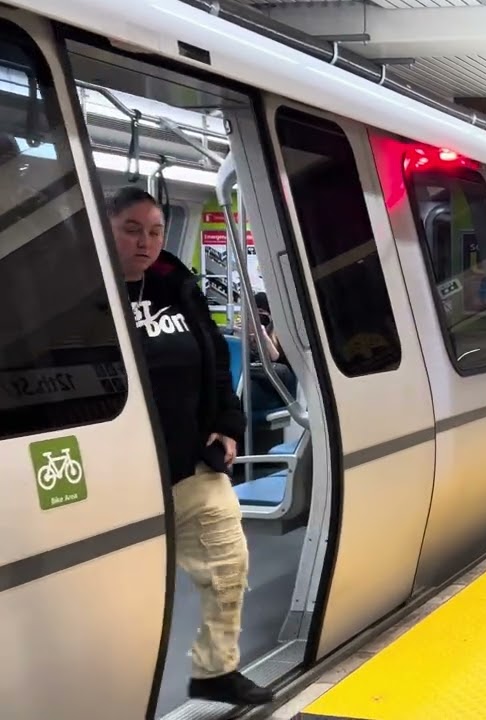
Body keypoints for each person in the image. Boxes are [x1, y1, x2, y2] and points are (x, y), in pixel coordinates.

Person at [108, 186, 274, 707]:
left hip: (192, 465)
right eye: (131, 229)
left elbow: (211, 361)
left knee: (228, 568)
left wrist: (228, 424)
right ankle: (113, 689)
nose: (146, 242)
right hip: (122, 476)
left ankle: (215, 670)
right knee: (124, 591)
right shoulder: (78, 293)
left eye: (155, 231)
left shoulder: (174, 284)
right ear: (105, 228)